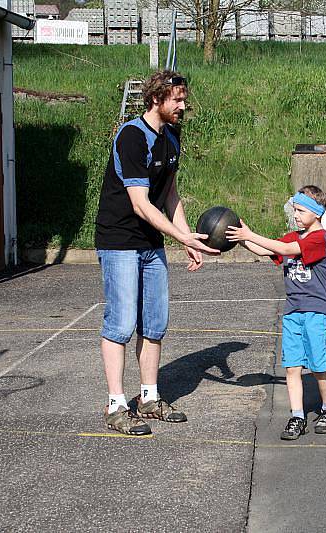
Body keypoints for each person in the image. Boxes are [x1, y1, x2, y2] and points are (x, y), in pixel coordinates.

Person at [95, 70, 219, 435]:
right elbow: (141, 205)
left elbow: (168, 194)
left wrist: (185, 238)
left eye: (184, 99)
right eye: (177, 99)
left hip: (151, 243)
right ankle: (116, 405)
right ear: (156, 99)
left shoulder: (172, 136)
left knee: (155, 323)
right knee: (120, 323)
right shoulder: (132, 136)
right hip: (119, 241)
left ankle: (149, 398)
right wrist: (187, 238)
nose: (183, 105)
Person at [225, 185, 326, 440]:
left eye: (300, 210)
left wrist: (251, 234)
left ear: (316, 213)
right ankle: (297, 415)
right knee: (291, 367)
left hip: (316, 312)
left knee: (320, 367)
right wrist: (240, 238)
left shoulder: (320, 238)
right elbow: (268, 249)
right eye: (294, 210)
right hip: (293, 312)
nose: (295, 215)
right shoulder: (292, 236)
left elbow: (288, 251)